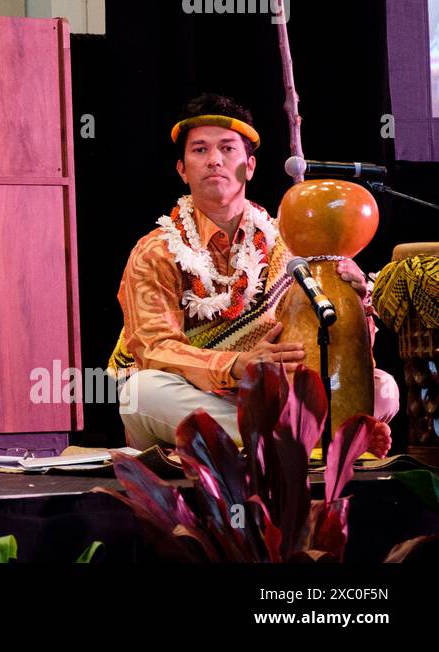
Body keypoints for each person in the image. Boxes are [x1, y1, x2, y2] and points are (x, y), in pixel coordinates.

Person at [107, 93, 399, 457]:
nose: (214, 160)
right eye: (199, 150)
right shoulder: (156, 252)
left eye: (227, 149)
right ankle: (310, 441)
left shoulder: (291, 242)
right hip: (205, 400)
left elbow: (339, 348)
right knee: (142, 393)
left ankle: (289, 439)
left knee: (384, 386)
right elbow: (154, 349)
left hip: (279, 398)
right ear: (182, 169)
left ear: (250, 165)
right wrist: (236, 365)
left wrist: (357, 301)